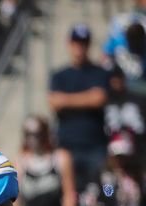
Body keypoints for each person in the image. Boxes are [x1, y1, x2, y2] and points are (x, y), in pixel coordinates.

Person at [50, 25, 112, 187]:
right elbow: (55, 102)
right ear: (70, 44)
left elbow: (99, 98)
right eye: (77, 42)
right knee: (68, 195)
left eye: (84, 43)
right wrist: (87, 98)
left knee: (104, 190)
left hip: (95, 146)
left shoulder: (100, 73)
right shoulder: (60, 76)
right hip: (67, 146)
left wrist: (67, 100)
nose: (80, 47)